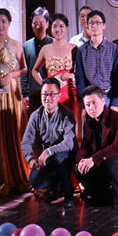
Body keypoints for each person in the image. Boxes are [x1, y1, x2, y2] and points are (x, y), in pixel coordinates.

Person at [0, 8, 31, 196]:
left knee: (11, 131)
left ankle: (14, 176)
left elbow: (24, 69)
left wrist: (10, 75)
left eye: (3, 21)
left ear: (9, 23)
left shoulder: (16, 44)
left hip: (10, 92)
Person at [21, 78, 77, 208]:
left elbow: (69, 143)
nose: (48, 98)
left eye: (52, 94)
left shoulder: (67, 114)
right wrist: (30, 159)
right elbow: (26, 142)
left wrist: (48, 151)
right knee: (34, 180)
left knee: (59, 157)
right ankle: (55, 187)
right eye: (45, 94)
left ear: (59, 96)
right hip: (49, 158)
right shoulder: (36, 115)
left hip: (67, 156)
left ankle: (68, 193)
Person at [75, 85, 118, 210]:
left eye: (94, 103)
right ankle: (101, 197)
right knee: (78, 168)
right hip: (99, 161)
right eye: (87, 105)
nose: (91, 108)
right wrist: (81, 160)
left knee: (112, 162)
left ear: (103, 101)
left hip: (117, 161)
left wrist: (93, 159)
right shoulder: (89, 121)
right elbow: (84, 146)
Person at [31, 13, 77, 114]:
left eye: (61, 26)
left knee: (69, 121)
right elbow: (34, 70)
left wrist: (72, 75)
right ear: (50, 28)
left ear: (66, 28)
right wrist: (43, 84)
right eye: (55, 26)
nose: (58, 29)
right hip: (51, 95)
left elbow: (82, 72)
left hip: (69, 94)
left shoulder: (74, 48)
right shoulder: (45, 49)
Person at [75, 10, 118, 108]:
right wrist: (83, 105)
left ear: (104, 25)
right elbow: (80, 79)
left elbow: (117, 78)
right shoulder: (82, 51)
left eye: (97, 22)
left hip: (108, 97)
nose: (94, 26)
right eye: (91, 23)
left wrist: (115, 103)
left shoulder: (113, 48)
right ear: (87, 26)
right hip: (89, 98)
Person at [22, 7, 53, 114]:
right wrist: (25, 94)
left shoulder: (53, 44)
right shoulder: (26, 46)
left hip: (51, 95)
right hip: (33, 95)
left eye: (41, 23)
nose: (38, 26)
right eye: (35, 23)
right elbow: (24, 71)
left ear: (47, 24)